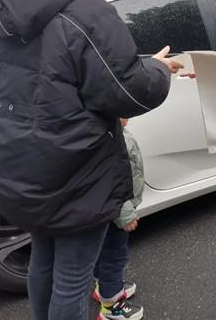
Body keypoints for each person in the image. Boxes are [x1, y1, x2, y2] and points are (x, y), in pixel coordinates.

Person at [0, 0, 183, 320]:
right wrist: (158, 69)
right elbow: (130, 91)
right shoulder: (86, 10)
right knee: (72, 279)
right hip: (75, 173)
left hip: (21, 167)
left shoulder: (5, 3)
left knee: (43, 262)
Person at [93, 119, 145, 320]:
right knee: (114, 257)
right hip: (117, 213)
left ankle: (102, 287)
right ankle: (111, 306)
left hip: (104, 212)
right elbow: (115, 181)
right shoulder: (113, 140)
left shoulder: (104, 136)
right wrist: (126, 214)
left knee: (101, 251)